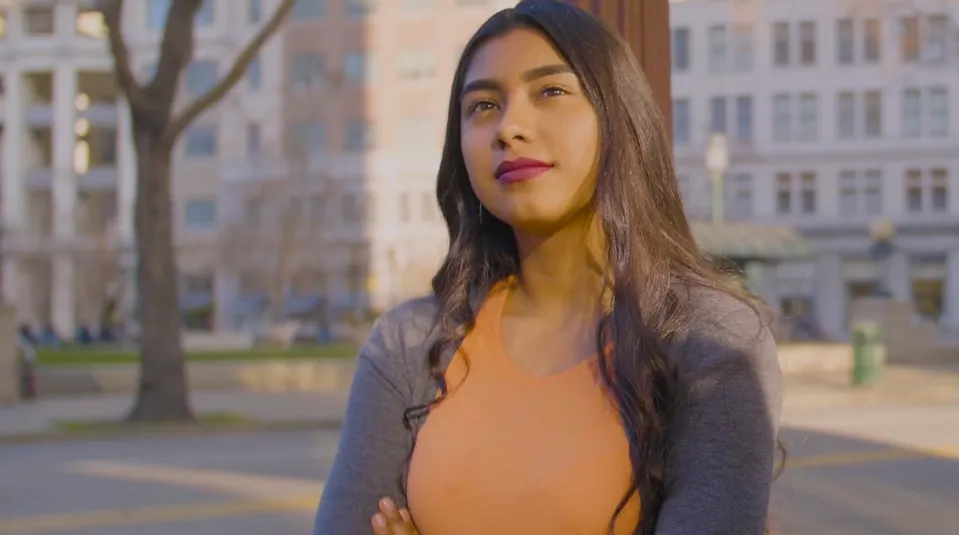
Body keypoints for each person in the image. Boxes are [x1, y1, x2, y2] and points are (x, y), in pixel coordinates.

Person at [313, 1, 783, 534]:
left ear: (618, 119)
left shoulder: (712, 342)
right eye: (483, 106)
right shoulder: (408, 346)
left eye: (551, 92)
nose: (510, 127)